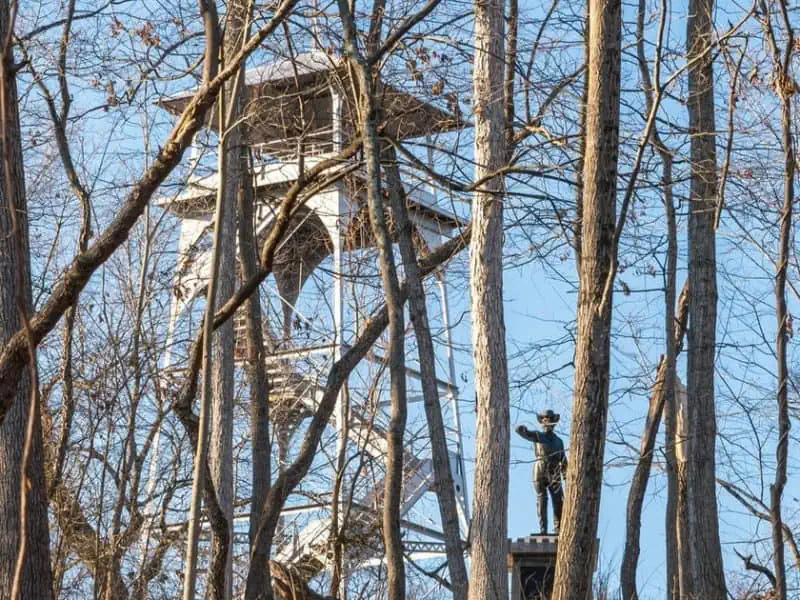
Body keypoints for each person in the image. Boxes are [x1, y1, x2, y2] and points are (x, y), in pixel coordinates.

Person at [515, 409, 568, 535]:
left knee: (558, 500)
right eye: (545, 419)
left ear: (554, 423)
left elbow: (563, 459)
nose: (547, 422)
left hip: (554, 470)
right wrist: (522, 429)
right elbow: (523, 433)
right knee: (542, 499)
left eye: (549, 419)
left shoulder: (559, 441)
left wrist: (566, 475)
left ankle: (558, 529)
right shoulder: (538, 435)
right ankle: (543, 529)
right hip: (539, 469)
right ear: (542, 422)